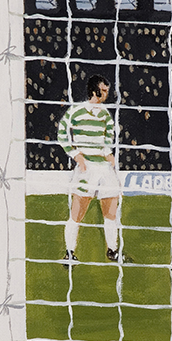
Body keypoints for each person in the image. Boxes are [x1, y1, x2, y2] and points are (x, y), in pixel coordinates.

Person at [57, 74, 125, 265]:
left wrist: (108, 154)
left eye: (107, 91)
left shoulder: (105, 115)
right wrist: (76, 154)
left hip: (104, 168)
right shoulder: (76, 111)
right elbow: (62, 133)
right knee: (77, 212)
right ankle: (69, 253)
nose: (106, 94)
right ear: (94, 90)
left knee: (111, 210)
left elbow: (107, 140)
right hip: (86, 168)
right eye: (103, 90)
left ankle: (112, 250)